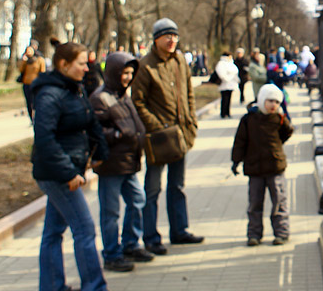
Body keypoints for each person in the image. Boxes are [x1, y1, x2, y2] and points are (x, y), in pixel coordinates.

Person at [31, 42, 117, 291]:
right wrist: (69, 173)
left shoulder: (73, 89)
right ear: (63, 64)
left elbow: (89, 121)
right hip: (57, 173)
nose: (86, 67)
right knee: (84, 228)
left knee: (54, 229)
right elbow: (44, 138)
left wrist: (100, 150)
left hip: (68, 168)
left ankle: (52, 287)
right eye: (81, 63)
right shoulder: (49, 95)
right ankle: (95, 289)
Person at [132, 18, 202, 255]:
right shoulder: (146, 66)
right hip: (159, 138)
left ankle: (179, 230)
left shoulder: (180, 60)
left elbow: (188, 92)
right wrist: (157, 126)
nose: (172, 40)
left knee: (177, 186)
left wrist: (191, 120)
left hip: (180, 134)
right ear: (156, 39)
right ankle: (151, 237)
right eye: (167, 36)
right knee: (152, 189)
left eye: (175, 36)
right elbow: (137, 102)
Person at [90, 52, 154, 272]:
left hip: (128, 162)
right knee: (111, 212)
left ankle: (130, 244)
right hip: (111, 164)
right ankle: (111, 253)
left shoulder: (123, 95)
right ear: (114, 73)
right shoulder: (101, 97)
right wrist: (117, 135)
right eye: (124, 73)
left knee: (138, 200)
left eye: (130, 73)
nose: (128, 77)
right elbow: (96, 131)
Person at [230, 84, 293, 246]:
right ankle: (254, 234)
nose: (273, 105)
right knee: (255, 203)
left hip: (275, 167)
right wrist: (236, 161)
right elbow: (240, 141)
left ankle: (282, 232)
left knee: (279, 201)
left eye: (277, 102)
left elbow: (288, 132)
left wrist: (283, 118)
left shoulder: (278, 118)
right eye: (270, 101)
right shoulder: (249, 119)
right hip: (255, 168)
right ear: (262, 100)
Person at [19, 45, 46, 123]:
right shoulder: (26, 61)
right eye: (27, 51)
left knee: (36, 101)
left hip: (36, 84)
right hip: (26, 84)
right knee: (29, 102)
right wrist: (23, 61)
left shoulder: (40, 60)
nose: (28, 53)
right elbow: (21, 70)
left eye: (30, 51)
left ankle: (38, 117)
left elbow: (42, 72)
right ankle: (32, 119)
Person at [215, 52, 240, 119]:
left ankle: (228, 112)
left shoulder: (231, 63)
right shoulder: (221, 63)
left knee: (229, 99)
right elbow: (221, 73)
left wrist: (236, 80)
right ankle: (223, 113)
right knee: (224, 99)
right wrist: (227, 79)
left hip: (231, 85)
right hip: (224, 85)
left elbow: (235, 72)